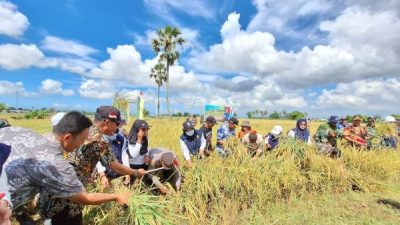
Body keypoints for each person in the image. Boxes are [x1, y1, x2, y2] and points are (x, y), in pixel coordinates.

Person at [0, 111, 132, 225]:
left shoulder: (22, 132)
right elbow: (84, 198)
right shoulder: (56, 165)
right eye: (82, 140)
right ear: (67, 138)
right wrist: (116, 196)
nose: (84, 144)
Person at [38, 107, 147, 225]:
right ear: (106, 122)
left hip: (59, 195)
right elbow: (115, 166)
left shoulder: (81, 131)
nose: (117, 128)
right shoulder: (98, 140)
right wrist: (135, 172)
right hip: (64, 201)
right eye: (116, 124)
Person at [125, 119, 151, 184]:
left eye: (147, 129)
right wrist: (139, 140)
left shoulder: (145, 139)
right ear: (137, 130)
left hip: (143, 166)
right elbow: (133, 155)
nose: (146, 131)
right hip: (133, 168)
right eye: (143, 129)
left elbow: (146, 148)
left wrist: (146, 155)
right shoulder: (130, 141)